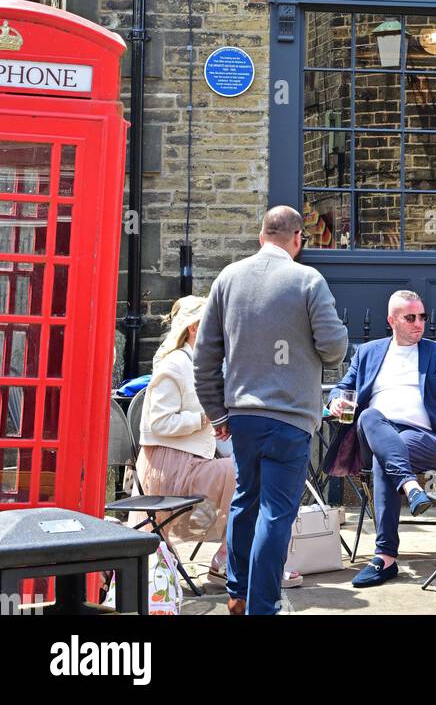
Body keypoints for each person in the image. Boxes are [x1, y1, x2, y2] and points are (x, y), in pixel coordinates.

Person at [194, 205, 348, 615]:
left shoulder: (228, 279)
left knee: (246, 501)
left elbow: (204, 356)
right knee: (276, 513)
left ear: (261, 236)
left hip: (242, 416)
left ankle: (237, 593)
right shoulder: (308, 280)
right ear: (298, 239)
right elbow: (334, 348)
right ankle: (264, 604)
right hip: (290, 417)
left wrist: (217, 413)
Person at [327, 289, 436, 588]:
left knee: (387, 457)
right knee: (369, 416)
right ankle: (410, 486)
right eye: (410, 317)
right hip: (374, 434)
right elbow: (341, 388)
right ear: (391, 320)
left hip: (425, 440)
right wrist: (336, 402)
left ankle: (385, 558)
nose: (419, 323)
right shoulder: (368, 352)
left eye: (422, 317)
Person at [137, 294, 236, 583]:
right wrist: (205, 419)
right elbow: (160, 422)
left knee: (244, 472)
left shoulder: (198, 364)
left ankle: (224, 553)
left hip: (190, 462)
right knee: (241, 473)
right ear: (194, 328)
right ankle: (226, 558)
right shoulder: (174, 365)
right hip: (169, 466)